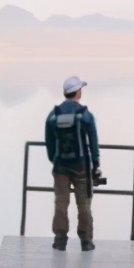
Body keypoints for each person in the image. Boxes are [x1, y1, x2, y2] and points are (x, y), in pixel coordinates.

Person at [45, 75, 101, 251]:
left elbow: (49, 142)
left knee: (61, 203)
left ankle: (60, 239)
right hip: (81, 166)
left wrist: (54, 159)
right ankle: (86, 240)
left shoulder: (54, 114)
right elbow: (93, 141)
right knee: (83, 204)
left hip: (60, 166)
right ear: (78, 92)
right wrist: (95, 164)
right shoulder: (84, 114)